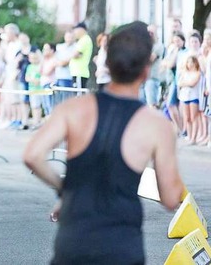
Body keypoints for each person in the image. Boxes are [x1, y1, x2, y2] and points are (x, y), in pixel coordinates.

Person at [24, 21, 185, 265]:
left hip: (74, 239)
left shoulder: (73, 109)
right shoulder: (157, 125)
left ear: (107, 64)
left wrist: (66, 188)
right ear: (146, 70)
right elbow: (171, 198)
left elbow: (32, 155)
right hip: (121, 244)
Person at [69, 22, 93, 89]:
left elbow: (75, 54)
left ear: (81, 29)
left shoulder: (84, 40)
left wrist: (72, 55)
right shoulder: (82, 40)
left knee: (78, 95)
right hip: (78, 73)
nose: (74, 32)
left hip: (80, 73)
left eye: (75, 30)